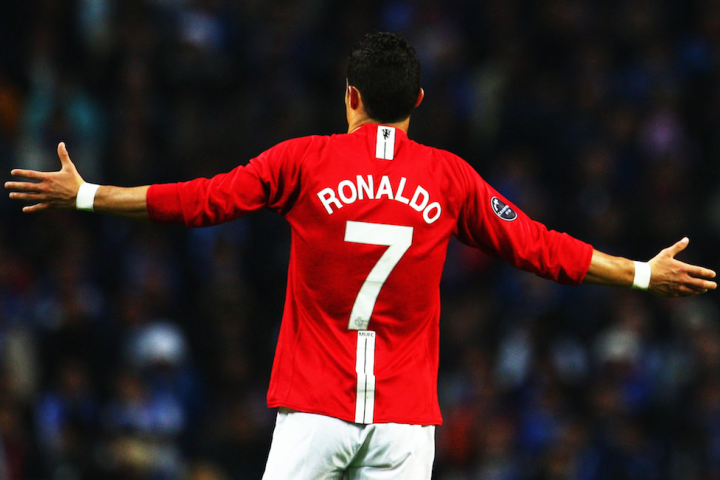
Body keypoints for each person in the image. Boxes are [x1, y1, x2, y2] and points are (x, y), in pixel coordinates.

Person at [5, 32, 717, 480]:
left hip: (314, 412)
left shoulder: (303, 161)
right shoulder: (449, 179)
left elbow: (200, 201)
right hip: (405, 427)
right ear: (419, 100)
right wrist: (642, 272)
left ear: (350, 97)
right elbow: (537, 246)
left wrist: (88, 194)